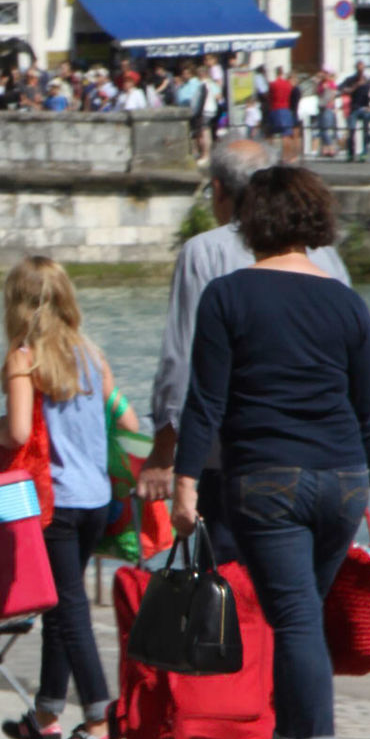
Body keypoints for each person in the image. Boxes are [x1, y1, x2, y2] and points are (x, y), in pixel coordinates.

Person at [173, 166, 370, 739]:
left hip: (266, 481)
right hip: (342, 483)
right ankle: (287, 738)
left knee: (296, 614)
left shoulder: (227, 295)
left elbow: (205, 403)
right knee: (299, 609)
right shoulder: (346, 301)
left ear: (251, 224)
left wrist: (184, 485)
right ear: (316, 223)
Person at [138, 140, 348, 556]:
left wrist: (165, 453)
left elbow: (182, 362)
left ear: (218, 189)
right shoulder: (327, 259)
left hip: (234, 462)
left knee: (234, 599)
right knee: (298, 606)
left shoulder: (204, 252)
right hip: (328, 462)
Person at [0, 256, 134, 739]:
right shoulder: (91, 356)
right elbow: (127, 417)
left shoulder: (24, 358)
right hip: (96, 497)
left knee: (69, 609)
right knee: (61, 605)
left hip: (54, 500)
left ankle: (100, 720)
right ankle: (47, 716)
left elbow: (15, 432)